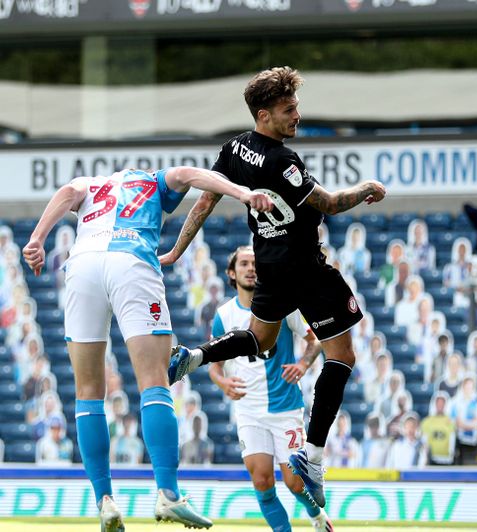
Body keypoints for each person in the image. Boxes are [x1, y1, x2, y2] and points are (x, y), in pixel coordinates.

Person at [158, 66, 387, 511]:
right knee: (343, 356)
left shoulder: (234, 148)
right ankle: (313, 457)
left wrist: (175, 252)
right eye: (288, 109)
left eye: (296, 106)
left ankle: (195, 356)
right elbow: (331, 204)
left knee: (261, 340)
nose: (297, 115)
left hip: (269, 265)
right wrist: (366, 189)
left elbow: (205, 200)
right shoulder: (285, 162)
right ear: (264, 115)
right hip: (306, 269)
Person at [22, 165, 270, 530]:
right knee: (154, 382)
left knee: (87, 392)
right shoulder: (152, 179)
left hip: (83, 267)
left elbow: (67, 194)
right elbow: (190, 175)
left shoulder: (92, 184)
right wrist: (243, 193)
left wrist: (37, 239)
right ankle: (168, 493)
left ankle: (104, 500)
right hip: (131, 260)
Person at [207, 245, 330, 531]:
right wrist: (223, 381)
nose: (251, 269)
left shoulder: (283, 305)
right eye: (244, 264)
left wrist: (303, 365)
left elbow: (316, 339)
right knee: (262, 481)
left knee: (295, 482)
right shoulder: (223, 315)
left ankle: (316, 515)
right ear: (231, 273)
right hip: (249, 410)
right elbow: (215, 363)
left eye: (255, 264)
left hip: (285, 406)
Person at [421, 392, 457, 465]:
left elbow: (452, 439)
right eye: (438, 403)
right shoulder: (426, 421)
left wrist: (451, 455)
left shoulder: (451, 421)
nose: (440, 405)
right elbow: (424, 441)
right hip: (431, 459)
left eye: (442, 403)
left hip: (446, 460)